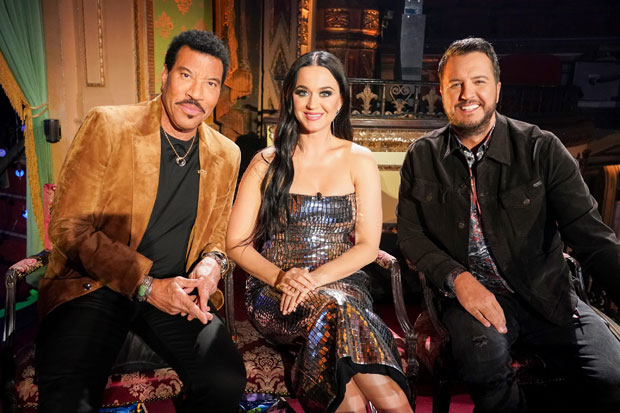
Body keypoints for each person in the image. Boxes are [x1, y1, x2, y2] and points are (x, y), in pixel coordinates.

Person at [397, 37, 620, 412]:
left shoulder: (541, 148)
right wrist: (458, 279)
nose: (467, 94)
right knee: (484, 365)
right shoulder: (422, 155)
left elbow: (593, 240)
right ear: (441, 91)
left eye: (479, 81)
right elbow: (410, 236)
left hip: (547, 295)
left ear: (498, 89)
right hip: (470, 301)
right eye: (455, 84)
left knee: (613, 375)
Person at [36, 30, 246, 412]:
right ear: (165, 75)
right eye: (186, 75)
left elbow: (216, 237)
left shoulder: (226, 154)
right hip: (95, 287)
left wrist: (213, 263)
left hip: (176, 292)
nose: (196, 94)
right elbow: (68, 228)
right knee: (69, 399)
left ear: (220, 93)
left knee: (225, 381)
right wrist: (147, 286)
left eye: (211, 83)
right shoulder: (109, 126)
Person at [226, 51, 412, 413]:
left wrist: (313, 280)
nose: (314, 104)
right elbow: (236, 244)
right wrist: (282, 278)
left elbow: (367, 246)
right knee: (336, 310)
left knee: (337, 308)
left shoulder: (359, 159)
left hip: (343, 286)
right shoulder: (266, 163)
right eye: (303, 92)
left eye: (325, 93)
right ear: (289, 97)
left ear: (340, 100)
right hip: (276, 293)